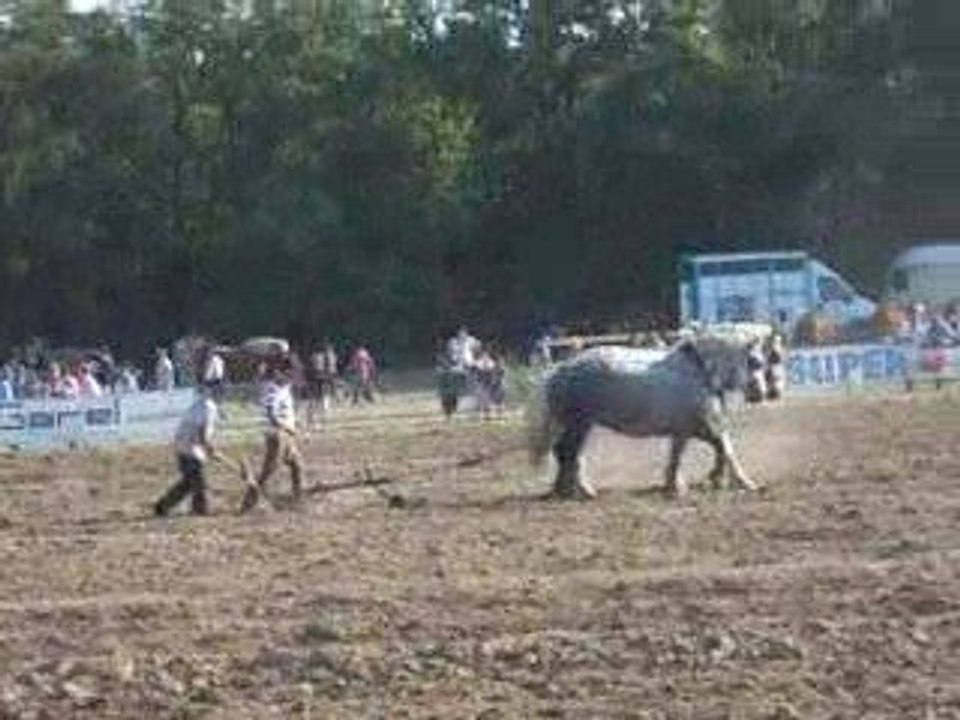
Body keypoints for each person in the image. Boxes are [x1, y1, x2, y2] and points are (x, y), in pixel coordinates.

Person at [239, 359, 304, 513]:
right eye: (290, 373)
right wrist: (288, 428)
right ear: (280, 372)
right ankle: (247, 505)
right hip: (277, 435)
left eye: (294, 373)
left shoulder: (285, 386)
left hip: (286, 435)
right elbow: (271, 416)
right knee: (269, 471)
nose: (293, 377)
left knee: (297, 466)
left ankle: (298, 500)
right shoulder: (272, 390)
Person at [154, 383, 220, 517]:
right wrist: (211, 449)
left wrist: (208, 448)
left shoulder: (201, 403)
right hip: (190, 446)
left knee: (189, 481)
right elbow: (203, 433)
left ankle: (163, 505)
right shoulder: (209, 407)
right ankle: (200, 509)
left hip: (182, 444)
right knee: (197, 481)